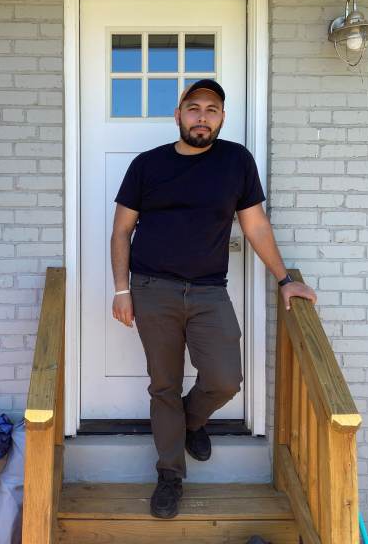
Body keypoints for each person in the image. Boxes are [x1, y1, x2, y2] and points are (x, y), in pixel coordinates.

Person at [110, 79, 317, 519]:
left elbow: (256, 226)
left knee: (225, 379)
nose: (202, 117)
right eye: (194, 108)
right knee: (162, 384)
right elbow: (121, 231)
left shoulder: (236, 161)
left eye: (212, 110)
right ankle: (170, 475)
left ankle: (190, 421)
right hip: (152, 290)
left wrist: (285, 280)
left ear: (222, 118)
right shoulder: (148, 165)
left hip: (208, 290)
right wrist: (121, 290)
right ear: (178, 114)